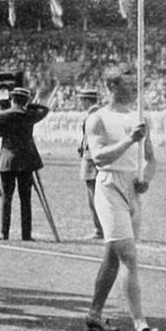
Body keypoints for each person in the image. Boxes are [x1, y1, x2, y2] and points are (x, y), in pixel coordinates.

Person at [84, 65, 159, 331]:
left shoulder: (140, 118)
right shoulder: (97, 118)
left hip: (132, 190)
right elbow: (99, 158)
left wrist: (146, 179)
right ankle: (140, 324)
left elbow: (150, 158)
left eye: (136, 84)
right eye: (129, 85)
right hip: (109, 187)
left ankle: (94, 314)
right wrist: (130, 139)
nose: (135, 89)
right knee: (128, 254)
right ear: (112, 86)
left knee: (113, 256)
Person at [0, 86, 49, 241]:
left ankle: (4, 233)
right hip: (26, 162)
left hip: (8, 161)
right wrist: (30, 105)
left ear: (12, 99)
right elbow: (45, 110)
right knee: (25, 199)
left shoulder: (2, 115)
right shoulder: (29, 115)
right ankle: (26, 234)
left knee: (6, 199)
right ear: (25, 101)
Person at [75, 88, 104, 239]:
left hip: (91, 159)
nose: (80, 102)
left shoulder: (93, 115)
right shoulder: (100, 113)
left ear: (87, 100)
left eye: (82, 99)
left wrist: (84, 147)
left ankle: (99, 229)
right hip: (94, 157)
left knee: (93, 196)